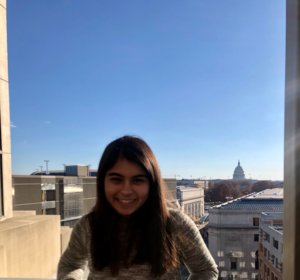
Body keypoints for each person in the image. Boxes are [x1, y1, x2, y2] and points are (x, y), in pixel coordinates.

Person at [57, 135, 218, 280]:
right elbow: (71, 264)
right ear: (102, 182)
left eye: (138, 180)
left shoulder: (175, 224)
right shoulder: (88, 226)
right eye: (116, 180)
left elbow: (206, 270)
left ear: (151, 184)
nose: (126, 190)